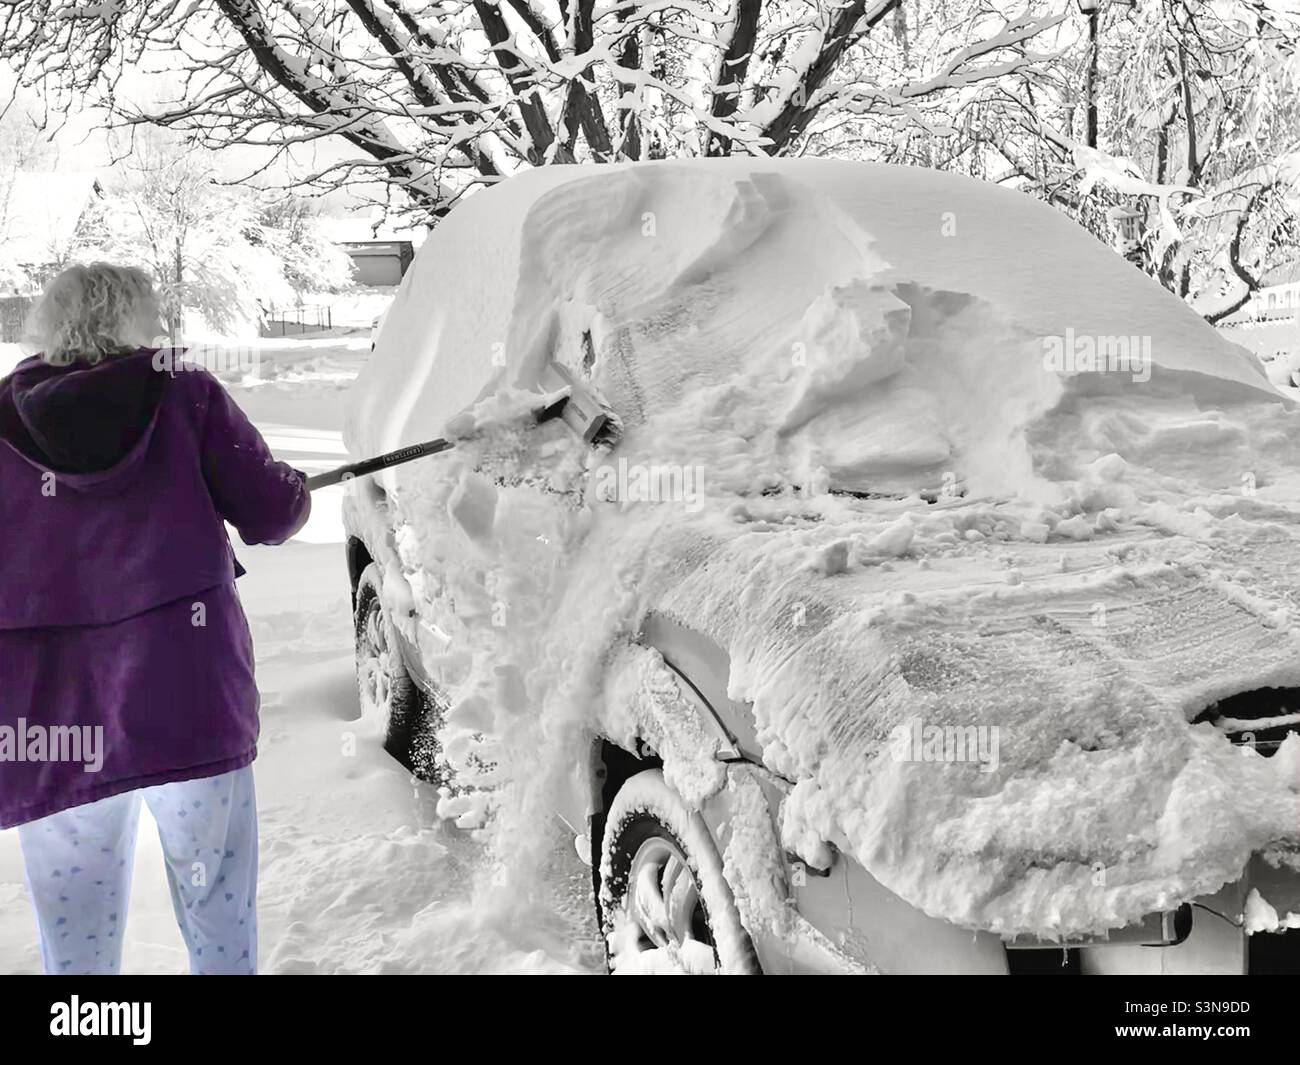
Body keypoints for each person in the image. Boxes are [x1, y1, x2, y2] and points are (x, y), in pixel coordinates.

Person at [0, 262, 310, 974]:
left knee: (75, 932)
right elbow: (269, 510)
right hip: (187, 695)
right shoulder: (184, 392)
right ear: (134, 318)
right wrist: (290, 487)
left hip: (50, 717)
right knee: (219, 905)